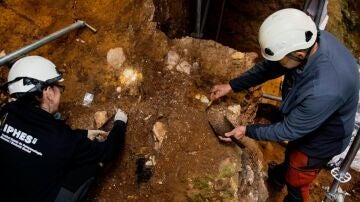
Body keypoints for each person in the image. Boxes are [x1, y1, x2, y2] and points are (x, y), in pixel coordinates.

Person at [210, 8, 359, 202]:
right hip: (311, 112)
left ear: (298, 54)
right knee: (292, 153)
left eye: (280, 58)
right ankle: (280, 175)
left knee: (298, 172)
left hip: (325, 137)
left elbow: (289, 130)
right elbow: (270, 67)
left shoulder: (324, 89)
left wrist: (247, 130)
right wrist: (231, 85)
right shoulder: (310, 41)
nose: (277, 63)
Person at [0, 56, 128, 202]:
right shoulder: (60, 139)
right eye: (59, 88)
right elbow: (107, 151)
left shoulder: (6, 112)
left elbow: (41, 140)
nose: (60, 92)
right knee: (89, 166)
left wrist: (84, 134)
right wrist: (119, 124)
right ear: (48, 92)